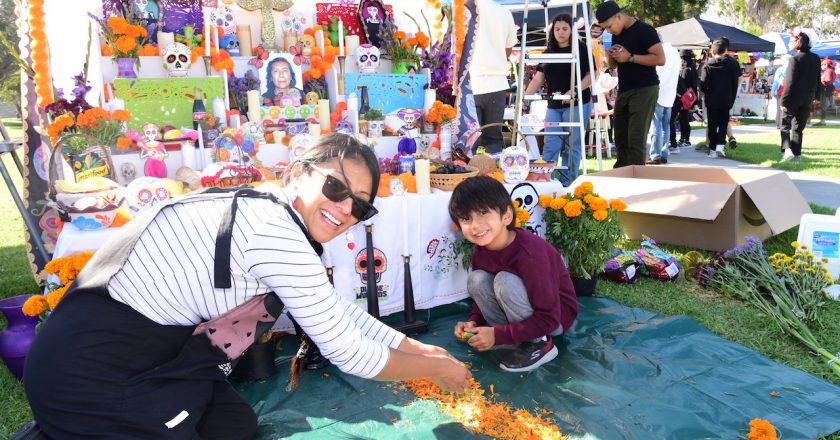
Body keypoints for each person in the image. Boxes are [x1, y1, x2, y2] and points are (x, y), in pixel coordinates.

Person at [24, 133, 472, 438]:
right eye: (335, 187)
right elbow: (347, 350)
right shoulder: (273, 230)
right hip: (90, 372)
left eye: (360, 207)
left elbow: (337, 312)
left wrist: (423, 352)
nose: (344, 209)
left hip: (154, 355)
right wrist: (435, 370)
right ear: (298, 172)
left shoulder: (277, 214)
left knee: (232, 425)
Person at [448, 176, 578, 372]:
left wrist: (496, 335)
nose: (475, 225)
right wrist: (473, 321)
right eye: (466, 218)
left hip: (554, 319)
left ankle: (540, 344)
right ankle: (513, 339)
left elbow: (549, 318)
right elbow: (480, 296)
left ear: (507, 216)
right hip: (522, 312)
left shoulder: (531, 255)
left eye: (483, 213)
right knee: (477, 279)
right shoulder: (481, 249)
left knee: (504, 281)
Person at [523, 13, 593, 185]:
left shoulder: (581, 48)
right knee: (550, 144)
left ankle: (567, 184)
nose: (560, 32)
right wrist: (523, 98)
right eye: (557, 29)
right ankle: (546, 183)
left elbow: (591, 75)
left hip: (577, 104)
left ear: (572, 30)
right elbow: (538, 79)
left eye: (564, 29)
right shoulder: (548, 52)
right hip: (553, 106)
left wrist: (574, 90)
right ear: (552, 31)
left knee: (572, 146)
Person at [596, 0, 665, 168]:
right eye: (605, 28)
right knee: (620, 137)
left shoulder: (645, 30)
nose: (608, 31)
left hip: (645, 88)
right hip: (625, 88)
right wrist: (612, 57)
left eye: (609, 26)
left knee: (636, 139)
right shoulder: (615, 34)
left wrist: (631, 57)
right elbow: (614, 65)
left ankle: (636, 180)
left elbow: (660, 59)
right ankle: (622, 174)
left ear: (619, 16)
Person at [468, 0, 518, 153]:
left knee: (470, 138)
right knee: (493, 138)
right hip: (497, 84)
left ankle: (467, 174)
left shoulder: (463, 9)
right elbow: (508, 50)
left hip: (470, 83)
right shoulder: (504, 12)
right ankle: (494, 174)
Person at [780, 32, 821, 162]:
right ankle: (797, 155)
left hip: (793, 98)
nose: (789, 44)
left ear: (798, 42)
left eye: (791, 41)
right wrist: (817, 96)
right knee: (798, 128)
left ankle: (787, 151)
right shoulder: (815, 58)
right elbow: (817, 79)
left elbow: (790, 82)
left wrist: (784, 100)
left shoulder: (794, 59)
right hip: (808, 97)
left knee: (785, 125)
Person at [699, 38, 740, 158]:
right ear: (725, 49)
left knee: (712, 124)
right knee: (723, 123)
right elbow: (736, 80)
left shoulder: (708, 65)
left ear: (713, 51)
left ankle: (712, 149)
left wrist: (705, 92)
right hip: (727, 98)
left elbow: (703, 84)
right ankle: (720, 146)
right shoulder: (733, 63)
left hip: (711, 99)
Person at [646, 41, 680, 165]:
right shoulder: (675, 52)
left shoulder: (659, 51)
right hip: (670, 94)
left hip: (659, 92)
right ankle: (664, 154)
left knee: (656, 125)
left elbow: (656, 72)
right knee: (666, 125)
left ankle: (655, 155)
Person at [670, 49, 698, 150]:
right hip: (690, 97)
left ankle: (685, 139)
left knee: (683, 118)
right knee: (685, 117)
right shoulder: (693, 68)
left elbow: (683, 86)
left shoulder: (685, 70)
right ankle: (685, 138)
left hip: (683, 98)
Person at [815, 57, 836, 126]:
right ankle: (822, 121)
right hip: (828, 90)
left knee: (823, 107)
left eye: (822, 64)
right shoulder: (831, 70)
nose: (821, 66)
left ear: (826, 65)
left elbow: (828, 81)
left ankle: (822, 122)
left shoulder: (828, 71)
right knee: (823, 106)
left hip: (825, 90)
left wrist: (820, 81)